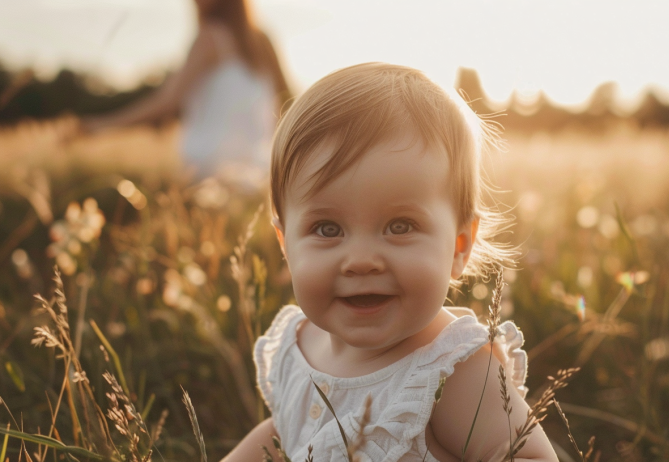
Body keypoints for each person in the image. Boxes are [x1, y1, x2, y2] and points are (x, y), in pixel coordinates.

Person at [223, 63, 559, 462]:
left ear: (459, 246)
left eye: (400, 226)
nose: (361, 261)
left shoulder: (450, 371)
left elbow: (525, 454)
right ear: (286, 244)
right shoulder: (300, 345)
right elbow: (283, 432)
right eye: (327, 229)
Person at [81, 0, 292, 182]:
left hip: (208, 172)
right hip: (260, 172)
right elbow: (286, 102)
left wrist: (98, 126)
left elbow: (166, 102)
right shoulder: (263, 41)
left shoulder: (209, 38)